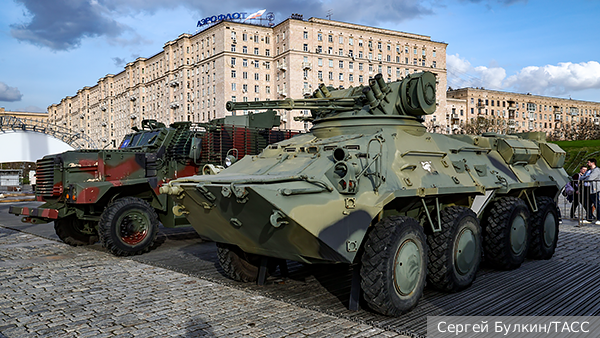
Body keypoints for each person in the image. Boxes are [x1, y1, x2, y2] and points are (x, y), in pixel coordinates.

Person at [582, 159, 600, 225]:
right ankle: (589, 217)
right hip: (587, 188)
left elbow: (590, 179)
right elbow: (581, 178)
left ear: (593, 163)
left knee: (596, 204)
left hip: (594, 189)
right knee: (587, 204)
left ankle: (599, 218)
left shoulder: (596, 170)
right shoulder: (588, 171)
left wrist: (586, 177)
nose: (587, 163)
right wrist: (586, 176)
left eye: (588, 162)